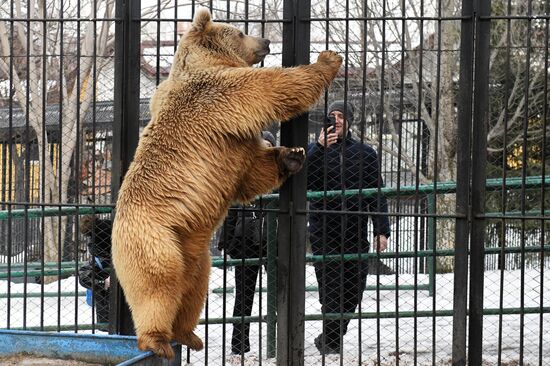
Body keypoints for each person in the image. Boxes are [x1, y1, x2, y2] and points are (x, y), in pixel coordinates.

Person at [306, 100, 391, 355]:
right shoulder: (314, 150)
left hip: (356, 229)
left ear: (350, 120)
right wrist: (320, 148)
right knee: (330, 290)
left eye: (341, 115)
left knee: (354, 290)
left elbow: (377, 193)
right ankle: (332, 344)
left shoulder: (365, 153)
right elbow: (303, 179)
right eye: (332, 115)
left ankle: (329, 336)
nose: (336, 120)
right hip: (324, 230)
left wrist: (382, 230)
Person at [218, 131, 277, 355]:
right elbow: (230, 211)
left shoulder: (280, 174)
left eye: (268, 146)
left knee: (281, 290)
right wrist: (229, 243)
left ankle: (280, 338)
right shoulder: (240, 173)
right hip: (245, 244)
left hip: (272, 241)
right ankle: (239, 343)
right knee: (244, 296)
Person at [78, 216, 112, 330]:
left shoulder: (95, 246)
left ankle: (105, 326)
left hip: (105, 269)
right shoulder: (111, 225)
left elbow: (84, 278)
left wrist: (102, 283)